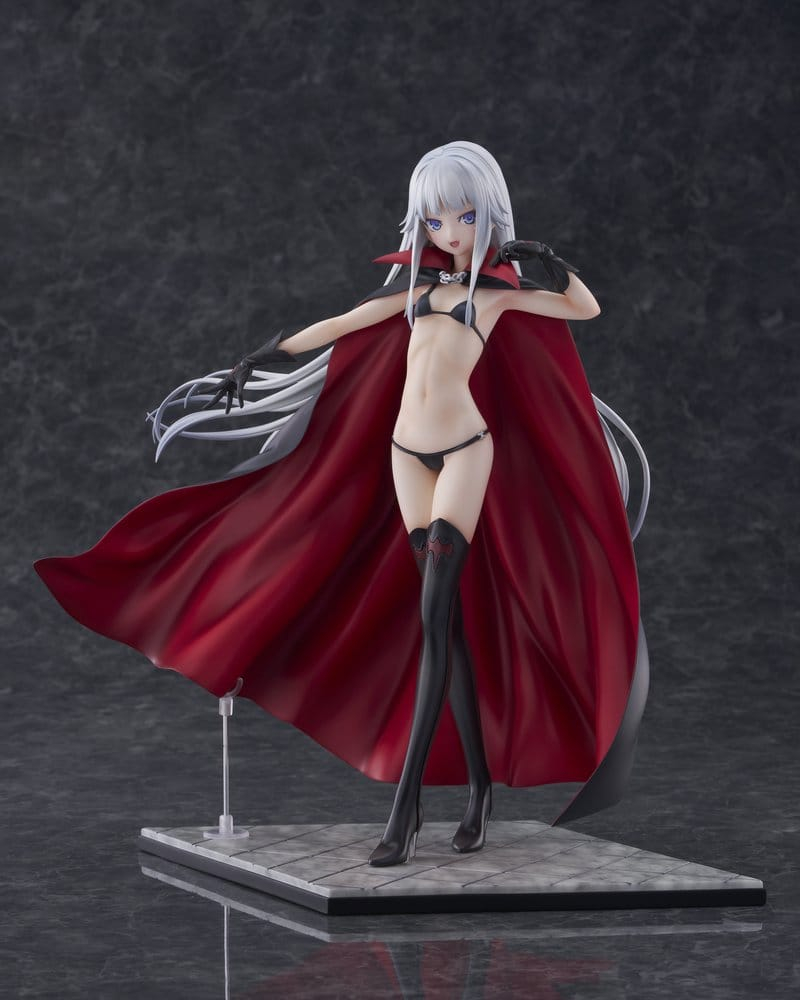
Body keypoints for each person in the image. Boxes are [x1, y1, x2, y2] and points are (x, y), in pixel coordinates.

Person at [34, 141, 650, 868]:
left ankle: (405, 809)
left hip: (465, 451)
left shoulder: (495, 296)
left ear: (487, 215)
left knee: (433, 621)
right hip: (405, 455)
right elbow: (333, 328)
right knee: (444, 627)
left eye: (464, 217)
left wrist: (542, 257)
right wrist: (253, 363)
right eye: (436, 219)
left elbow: (582, 307)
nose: (450, 232)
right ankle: (480, 789)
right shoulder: (414, 293)